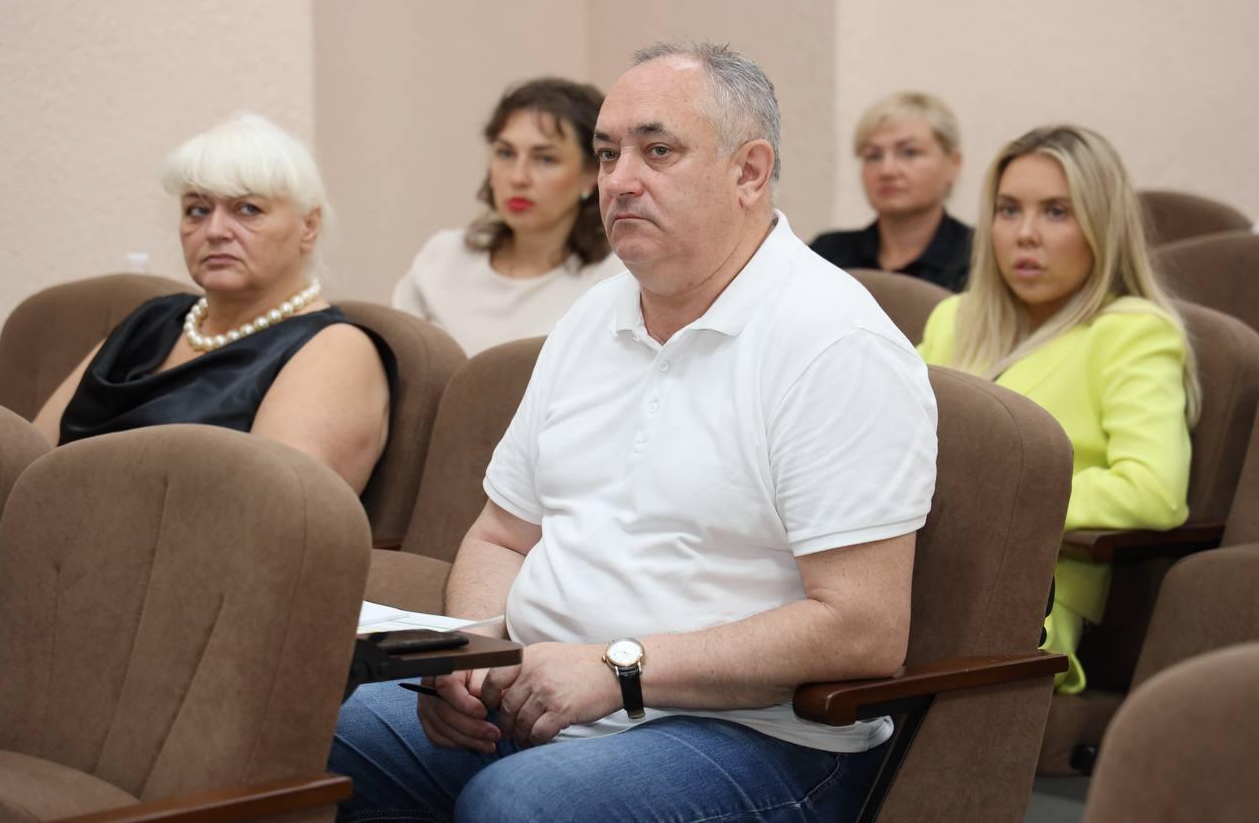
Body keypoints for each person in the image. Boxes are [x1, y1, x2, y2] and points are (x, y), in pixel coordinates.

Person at [331, 42, 939, 821]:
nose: (618, 180)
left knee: (519, 803)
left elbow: (863, 627)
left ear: (750, 172)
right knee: (301, 731)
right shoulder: (593, 316)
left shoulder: (835, 343)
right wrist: (475, 658)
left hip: (752, 733)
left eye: (657, 151)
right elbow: (501, 536)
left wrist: (621, 669)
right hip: (543, 696)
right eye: (607, 153)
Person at [916, 124, 1199, 694]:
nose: (1025, 234)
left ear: (1101, 225)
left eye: (1055, 212)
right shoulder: (956, 320)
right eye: (1008, 210)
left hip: (1031, 600)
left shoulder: (1132, 332)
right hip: (913, 568)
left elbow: (1155, 491)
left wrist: (996, 503)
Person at [32, 113, 393, 494]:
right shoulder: (149, 321)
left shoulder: (335, 350)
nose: (215, 231)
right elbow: (31, 458)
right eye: (198, 210)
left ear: (309, 226)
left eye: (247, 209)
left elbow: (273, 512)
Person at [392, 78, 627, 356]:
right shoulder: (443, 256)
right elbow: (402, 366)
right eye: (505, 153)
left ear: (591, 174)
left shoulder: (615, 279)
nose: (518, 177)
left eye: (545, 159)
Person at [809, 91, 971, 290]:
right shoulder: (826, 254)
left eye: (909, 152)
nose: (887, 171)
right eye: (874, 156)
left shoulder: (981, 258)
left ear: (953, 163)